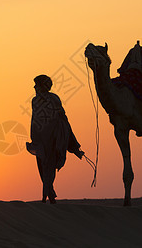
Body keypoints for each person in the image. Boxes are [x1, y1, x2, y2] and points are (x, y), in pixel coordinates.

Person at [26, 75, 84, 204]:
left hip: (52, 139)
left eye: (37, 85)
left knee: (48, 168)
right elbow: (36, 120)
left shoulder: (52, 99)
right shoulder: (35, 101)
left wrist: (72, 142)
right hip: (40, 139)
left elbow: (61, 119)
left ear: (42, 86)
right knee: (44, 168)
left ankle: (46, 197)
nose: (34, 87)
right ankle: (49, 195)